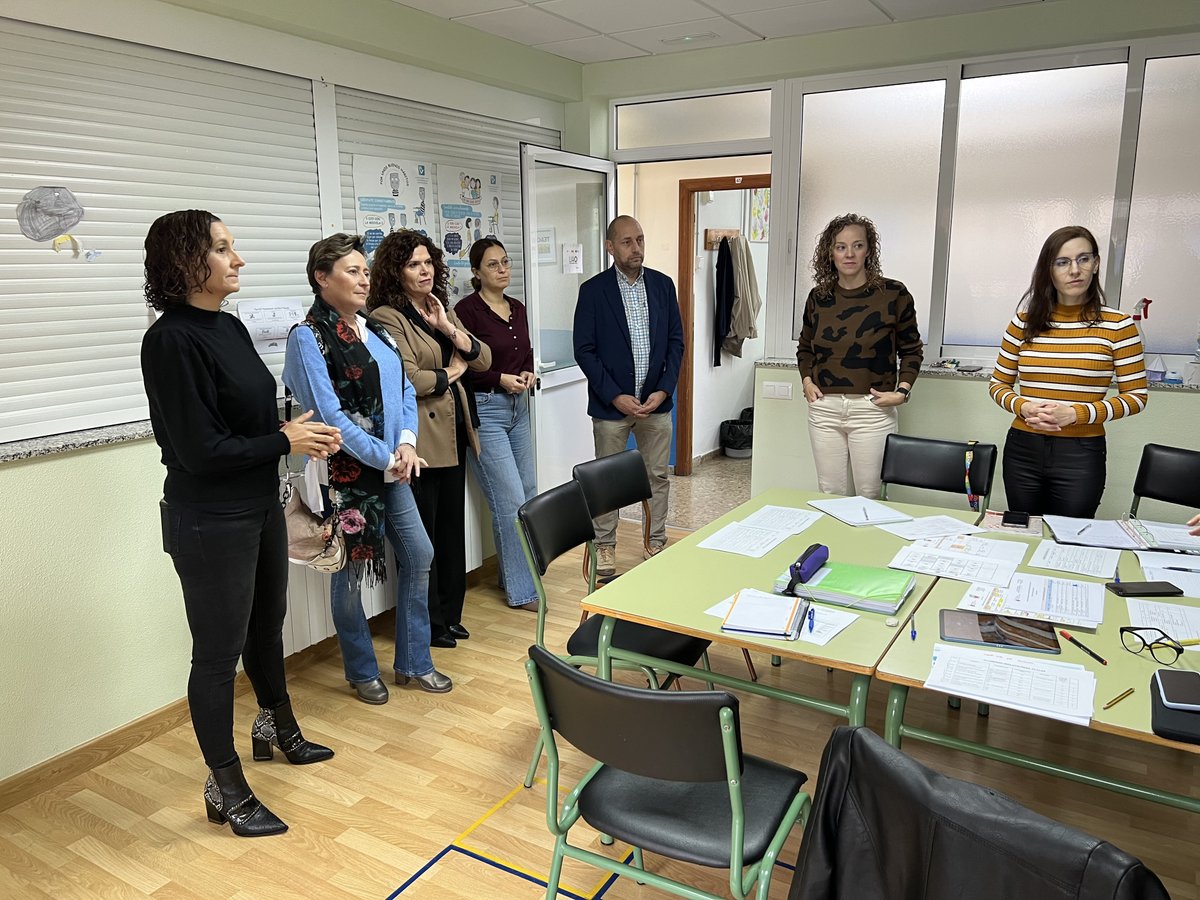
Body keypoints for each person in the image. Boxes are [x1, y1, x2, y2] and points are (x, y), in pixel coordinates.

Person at [140, 210, 340, 838]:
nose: (238, 259)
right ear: (187, 263)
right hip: (209, 519)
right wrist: (284, 441)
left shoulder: (226, 327)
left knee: (266, 625)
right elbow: (200, 450)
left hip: (255, 506)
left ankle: (277, 726)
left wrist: (293, 432)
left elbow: (248, 419)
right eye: (224, 249)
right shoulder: (171, 340)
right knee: (217, 656)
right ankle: (225, 785)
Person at [282, 233, 451, 700]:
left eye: (365, 271)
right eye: (352, 271)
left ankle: (414, 662)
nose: (363, 280)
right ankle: (361, 670)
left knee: (419, 554)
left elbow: (403, 392)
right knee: (351, 574)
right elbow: (330, 417)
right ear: (322, 278)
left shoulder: (375, 329)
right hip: (346, 478)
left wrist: (407, 443)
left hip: (392, 465)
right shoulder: (308, 337)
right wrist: (387, 457)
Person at [368, 230, 492, 648]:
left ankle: (450, 615)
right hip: (420, 440)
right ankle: (430, 622)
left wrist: (448, 328)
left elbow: (484, 356)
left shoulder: (439, 308)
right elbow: (408, 378)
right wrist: (455, 371)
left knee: (451, 531)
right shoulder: (388, 316)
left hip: (455, 432)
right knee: (426, 539)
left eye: (428, 262)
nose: (425, 271)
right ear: (395, 271)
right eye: (413, 264)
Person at [990, 226, 1148, 517]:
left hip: (1081, 452)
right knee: (1025, 532)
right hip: (1023, 448)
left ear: (1096, 264)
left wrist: (1076, 414)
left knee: (1072, 538)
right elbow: (998, 385)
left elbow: (1136, 397)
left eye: (1083, 259)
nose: (1074, 270)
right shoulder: (1023, 323)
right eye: (1062, 262)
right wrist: (1024, 406)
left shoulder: (1118, 326)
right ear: (1048, 270)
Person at [573, 215, 684, 577]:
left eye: (640, 240)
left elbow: (675, 344)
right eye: (627, 242)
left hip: (656, 404)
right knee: (606, 481)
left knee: (657, 475)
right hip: (611, 407)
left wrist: (664, 388)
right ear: (610, 247)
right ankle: (605, 548)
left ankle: (656, 540)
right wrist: (615, 395)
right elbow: (584, 350)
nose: (636, 248)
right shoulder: (593, 291)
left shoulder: (664, 286)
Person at [795, 213, 923, 500]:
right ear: (830, 253)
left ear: (869, 250)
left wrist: (902, 392)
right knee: (830, 494)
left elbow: (912, 349)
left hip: (872, 409)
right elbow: (805, 348)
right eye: (840, 247)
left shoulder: (893, 293)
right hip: (824, 408)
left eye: (857, 245)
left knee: (871, 495)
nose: (849, 254)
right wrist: (806, 381)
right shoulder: (819, 297)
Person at [453, 238, 538, 612]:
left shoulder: (516, 308)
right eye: (492, 265)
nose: (502, 269)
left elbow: (527, 352)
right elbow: (464, 368)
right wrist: (498, 379)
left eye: (505, 262)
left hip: (519, 407)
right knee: (509, 501)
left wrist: (527, 373)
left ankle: (517, 575)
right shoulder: (466, 312)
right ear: (476, 272)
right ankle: (522, 592)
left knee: (529, 492)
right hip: (486, 411)